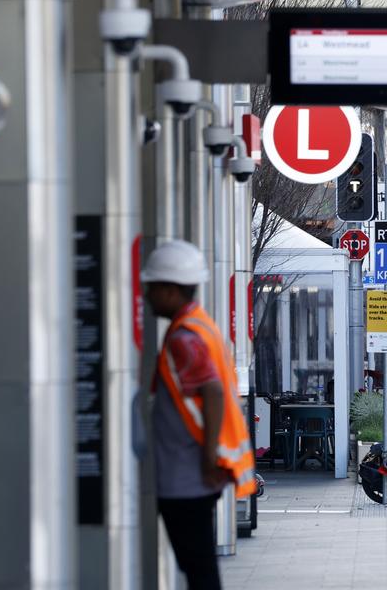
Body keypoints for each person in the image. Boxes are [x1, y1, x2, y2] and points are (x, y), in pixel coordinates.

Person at [142, 241, 256, 590]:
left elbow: (212, 391)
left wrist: (207, 457)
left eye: (151, 288)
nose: (147, 297)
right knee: (200, 567)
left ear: (170, 289)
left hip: (187, 472)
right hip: (190, 470)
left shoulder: (184, 337)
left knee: (199, 569)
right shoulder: (199, 325)